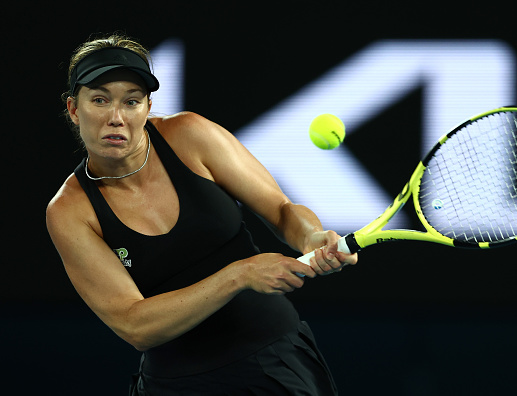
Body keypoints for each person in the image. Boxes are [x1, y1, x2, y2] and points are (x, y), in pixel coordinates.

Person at [46, 33, 358, 395]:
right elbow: (134, 325)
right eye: (100, 100)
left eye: (131, 102)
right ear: (73, 109)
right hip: (176, 385)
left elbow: (282, 209)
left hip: (277, 361)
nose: (116, 118)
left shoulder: (190, 135)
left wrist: (311, 237)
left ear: (147, 108)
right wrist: (239, 275)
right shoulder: (70, 212)